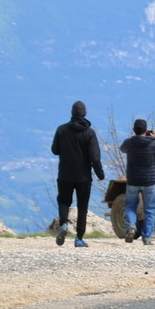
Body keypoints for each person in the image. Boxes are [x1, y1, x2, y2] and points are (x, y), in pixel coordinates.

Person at [51, 100, 104, 247]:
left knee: (63, 201)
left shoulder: (61, 130)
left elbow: (55, 150)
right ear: (85, 114)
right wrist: (100, 174)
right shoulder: (89, 133)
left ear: (72, 113)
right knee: (83, 206)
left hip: (65, 174)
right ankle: (79, 238)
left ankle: (63, 224)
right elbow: (95, 157)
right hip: (84, 177)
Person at [119, 119, 155, 245]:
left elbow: (122, 149)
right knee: (150, 209)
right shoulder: (153, 143)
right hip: (149, 181)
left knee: (130, 206)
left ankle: (131, 226)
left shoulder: (129, 143)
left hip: (133, 179)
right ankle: (147, 237)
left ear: (134, 130)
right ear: (146, 130)